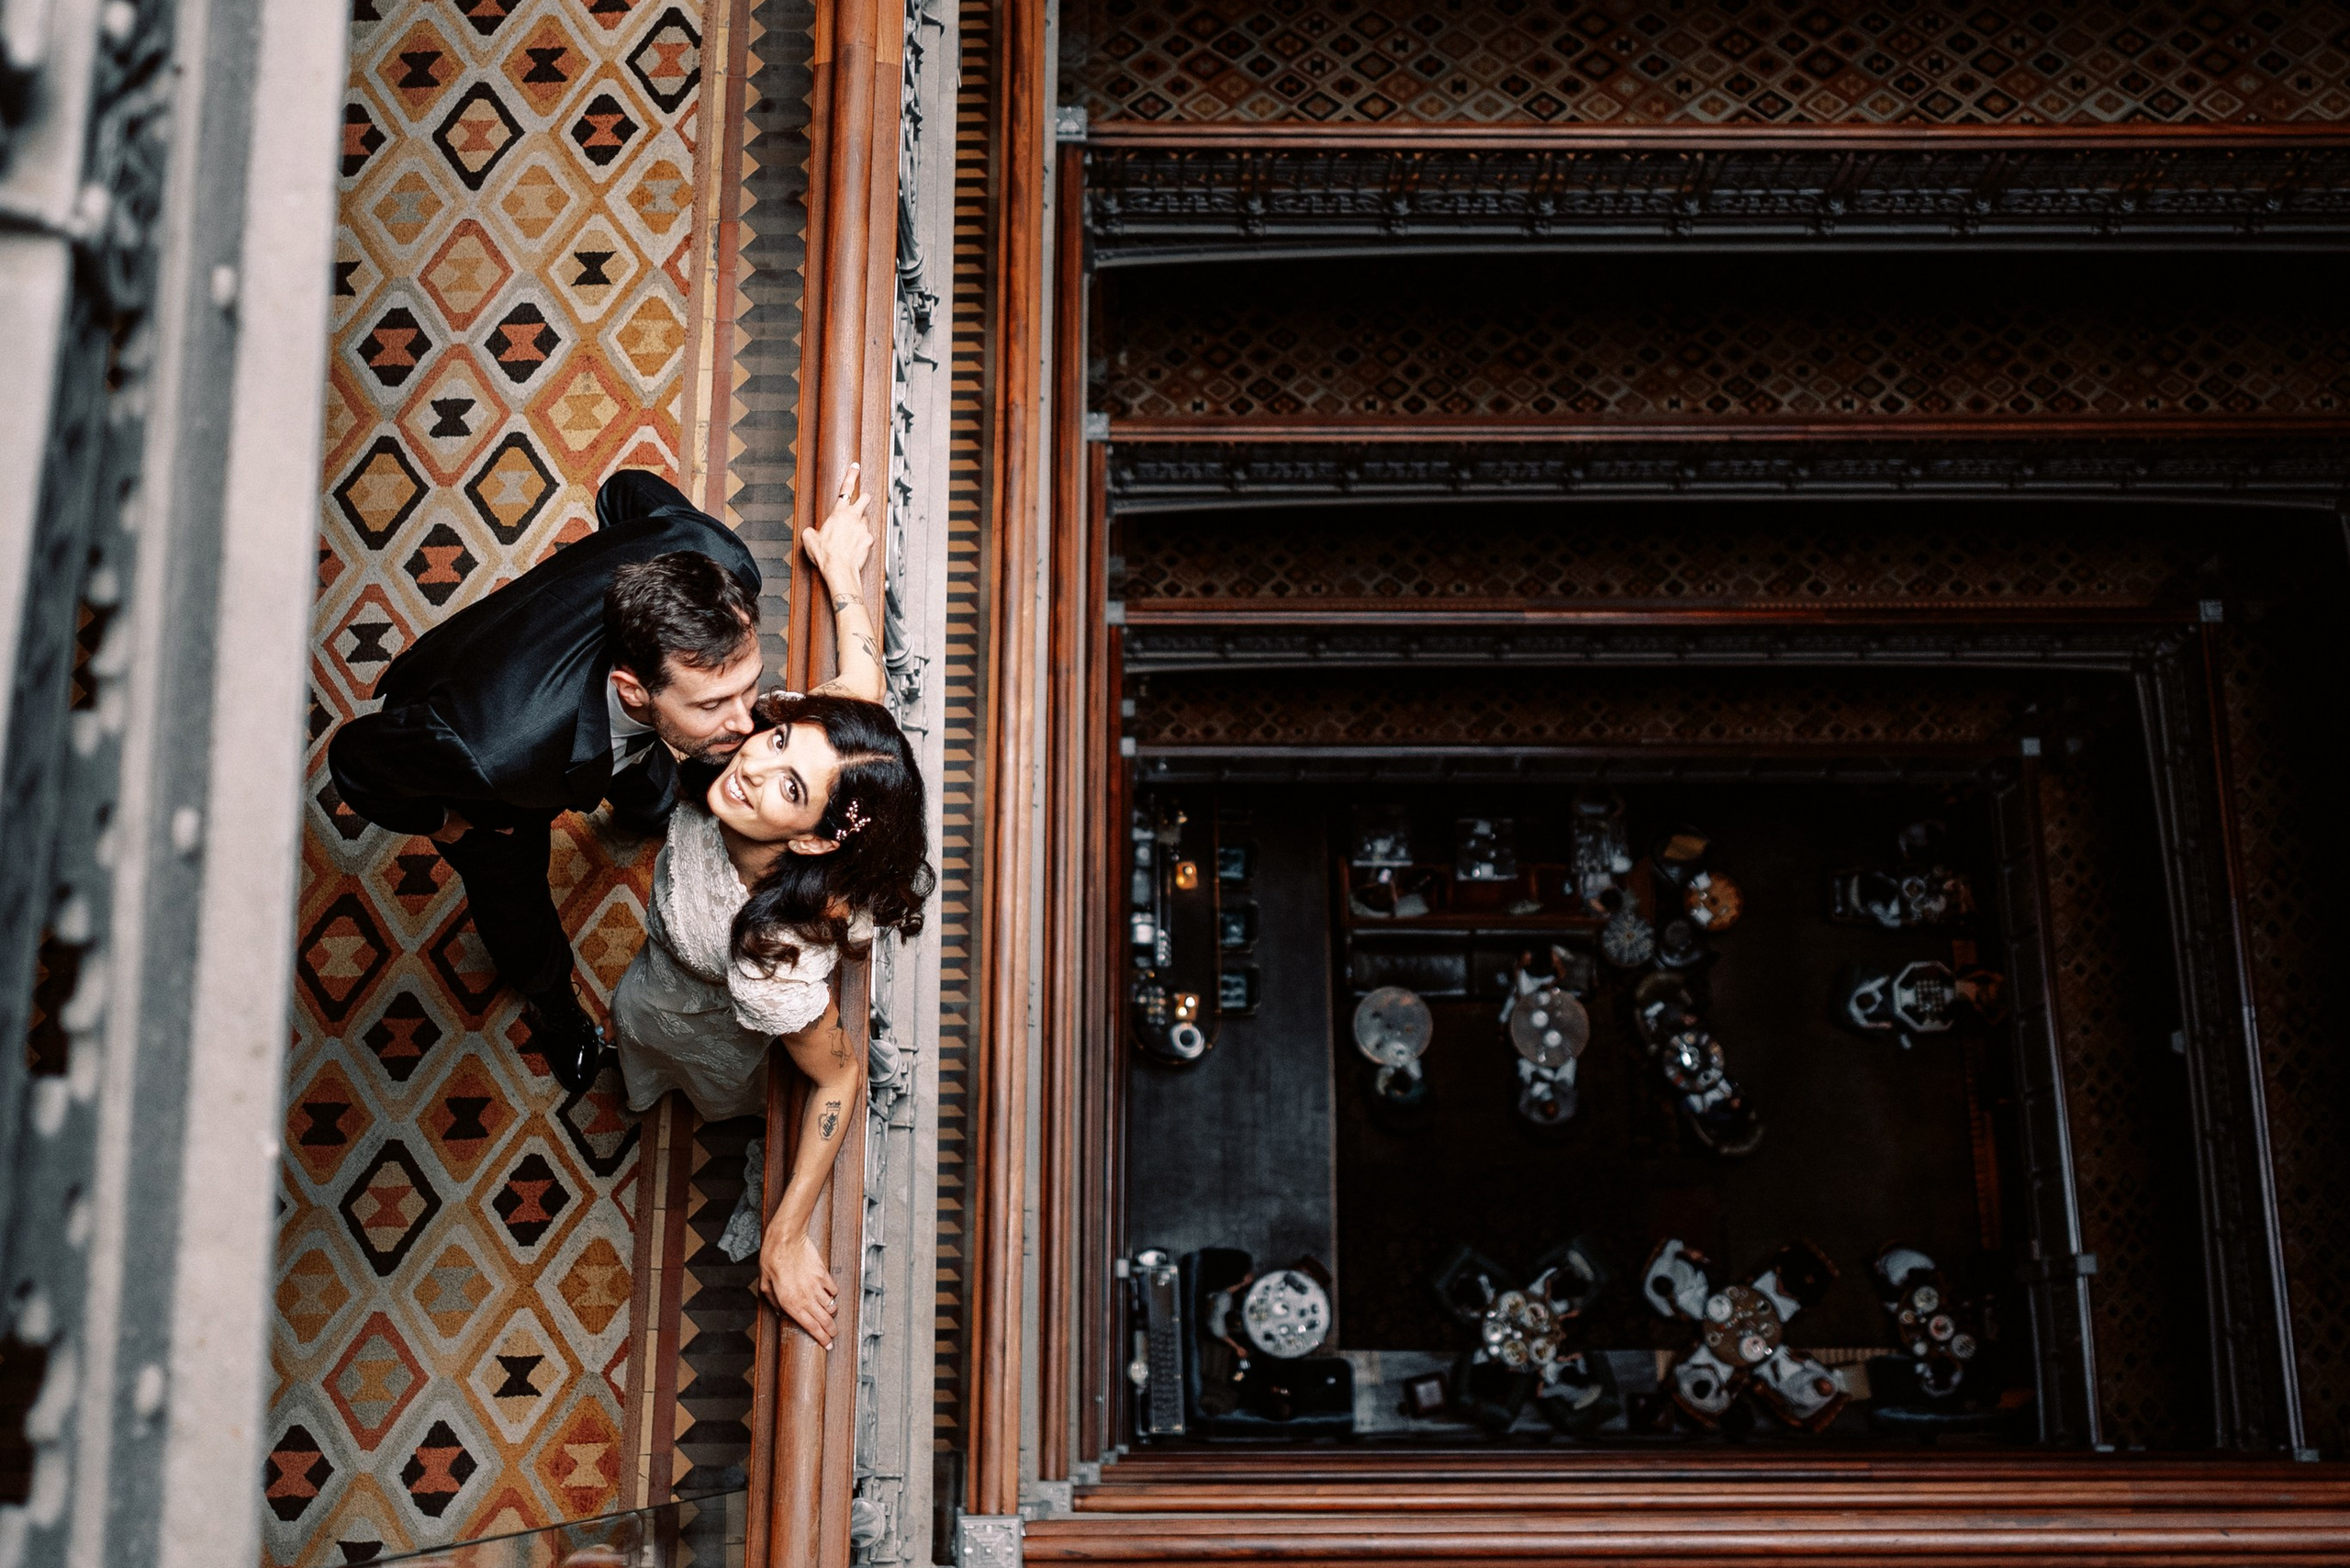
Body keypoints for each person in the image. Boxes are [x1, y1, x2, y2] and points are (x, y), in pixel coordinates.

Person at [329, 470, 835, 1091]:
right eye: (712, 705)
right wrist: (449, 822)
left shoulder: (718, 559)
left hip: (611, 726)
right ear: (632, 689)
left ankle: (645, 802)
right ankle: (552, 1001)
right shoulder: (490, 752)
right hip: (484, 779)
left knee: (647, 777)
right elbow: (353, 758)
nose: (745, 726)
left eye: (747, 687)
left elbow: (624, 492)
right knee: (512, 903)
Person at [610, 468, 934, 1347]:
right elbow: (861, 680)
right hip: (655, 972)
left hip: (707, 1005)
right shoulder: (764, 741)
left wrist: (786, 1236)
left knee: (696, 1072)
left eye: (788, 783)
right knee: (634, 1021)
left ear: (818, 839)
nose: (754, 761)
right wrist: (843, 576)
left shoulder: (774, 954)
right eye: (781, 736)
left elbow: (836, 1075)